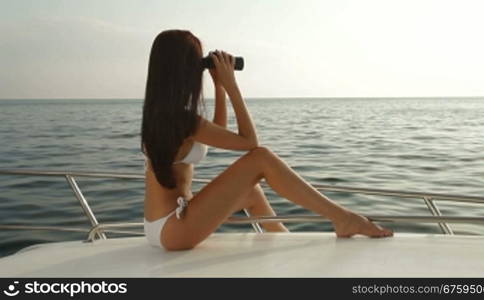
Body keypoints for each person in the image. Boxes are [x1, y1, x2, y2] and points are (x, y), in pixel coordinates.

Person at [141, 29, 393, 251]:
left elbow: (219, 132)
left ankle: (284, 238)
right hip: (173, 228)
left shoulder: (162, 116)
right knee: (260, 158)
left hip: (162, 226)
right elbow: (249, 143)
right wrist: (232, 86)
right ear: (185, 70)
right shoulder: (183, 120)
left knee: (250, 189)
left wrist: (218, 85)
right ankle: (342, 217)